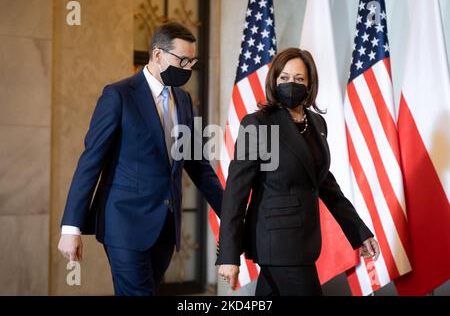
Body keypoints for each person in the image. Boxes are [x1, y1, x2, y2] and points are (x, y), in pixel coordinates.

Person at [58, 22, 223, 296]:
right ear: (157, 55)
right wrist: (71, 227)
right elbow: (91, 162)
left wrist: (230, 211)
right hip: (123, 225)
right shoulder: (118, 95)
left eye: (191, 62)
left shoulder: (183, 100)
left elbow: (198, 166)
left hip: (165, 229)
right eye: (181, 60)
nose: (187, 69)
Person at [216, 48, 380, 296]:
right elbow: (236, 191)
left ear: (310, 83)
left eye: (299, 79)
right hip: (278, 241)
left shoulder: (316, 123)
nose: (290, 84)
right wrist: (229, 254)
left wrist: (359, 232)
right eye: (284, 78)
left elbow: (325, 184)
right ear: (274, 81)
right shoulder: (258, 123)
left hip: (304, 240)